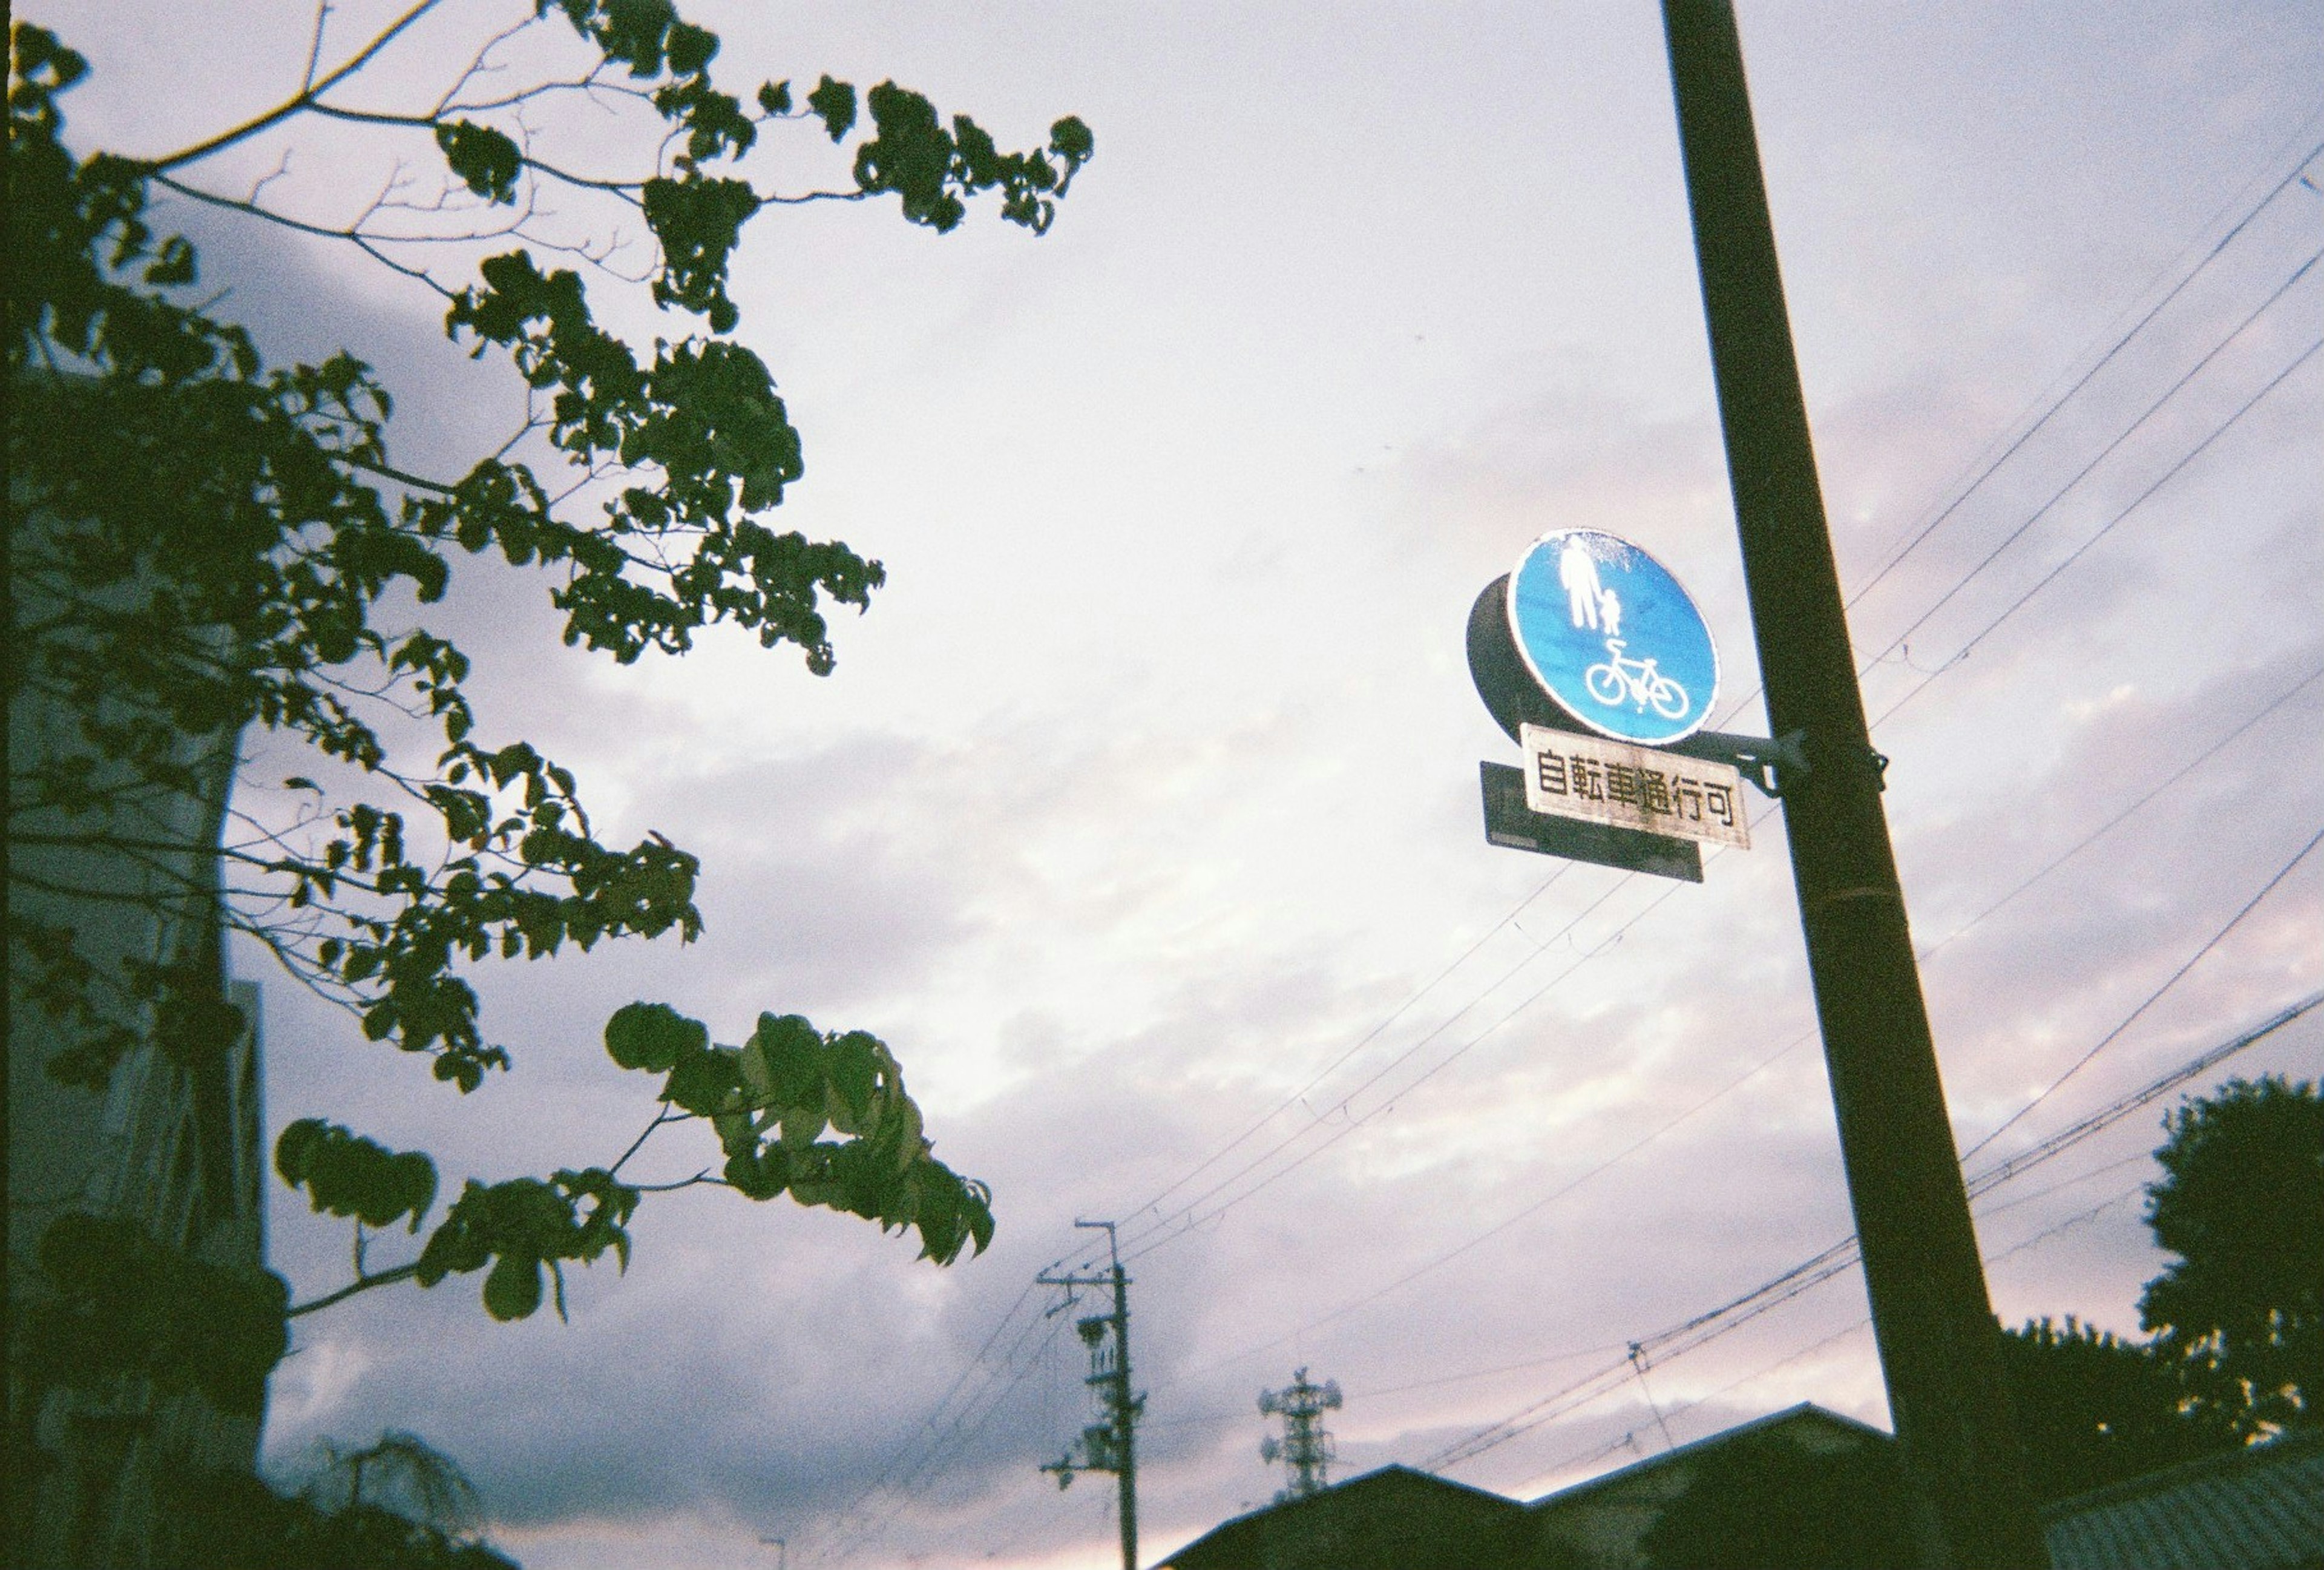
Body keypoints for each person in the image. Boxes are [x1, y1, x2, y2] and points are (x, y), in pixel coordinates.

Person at [1560, 537, 1604, 630]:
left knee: (1588, 602)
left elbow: (1592, 574)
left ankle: (1593, 624)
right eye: (1574, 543)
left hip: (1585, 583)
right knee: (1576, 601)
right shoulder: (1567, 554)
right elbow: (1564, 569)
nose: (1576, 545)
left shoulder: (1585, 557)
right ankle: (1578, 623)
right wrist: (1566, 583)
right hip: (1574, 582)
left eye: (1578, 543)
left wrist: (1597, 592)